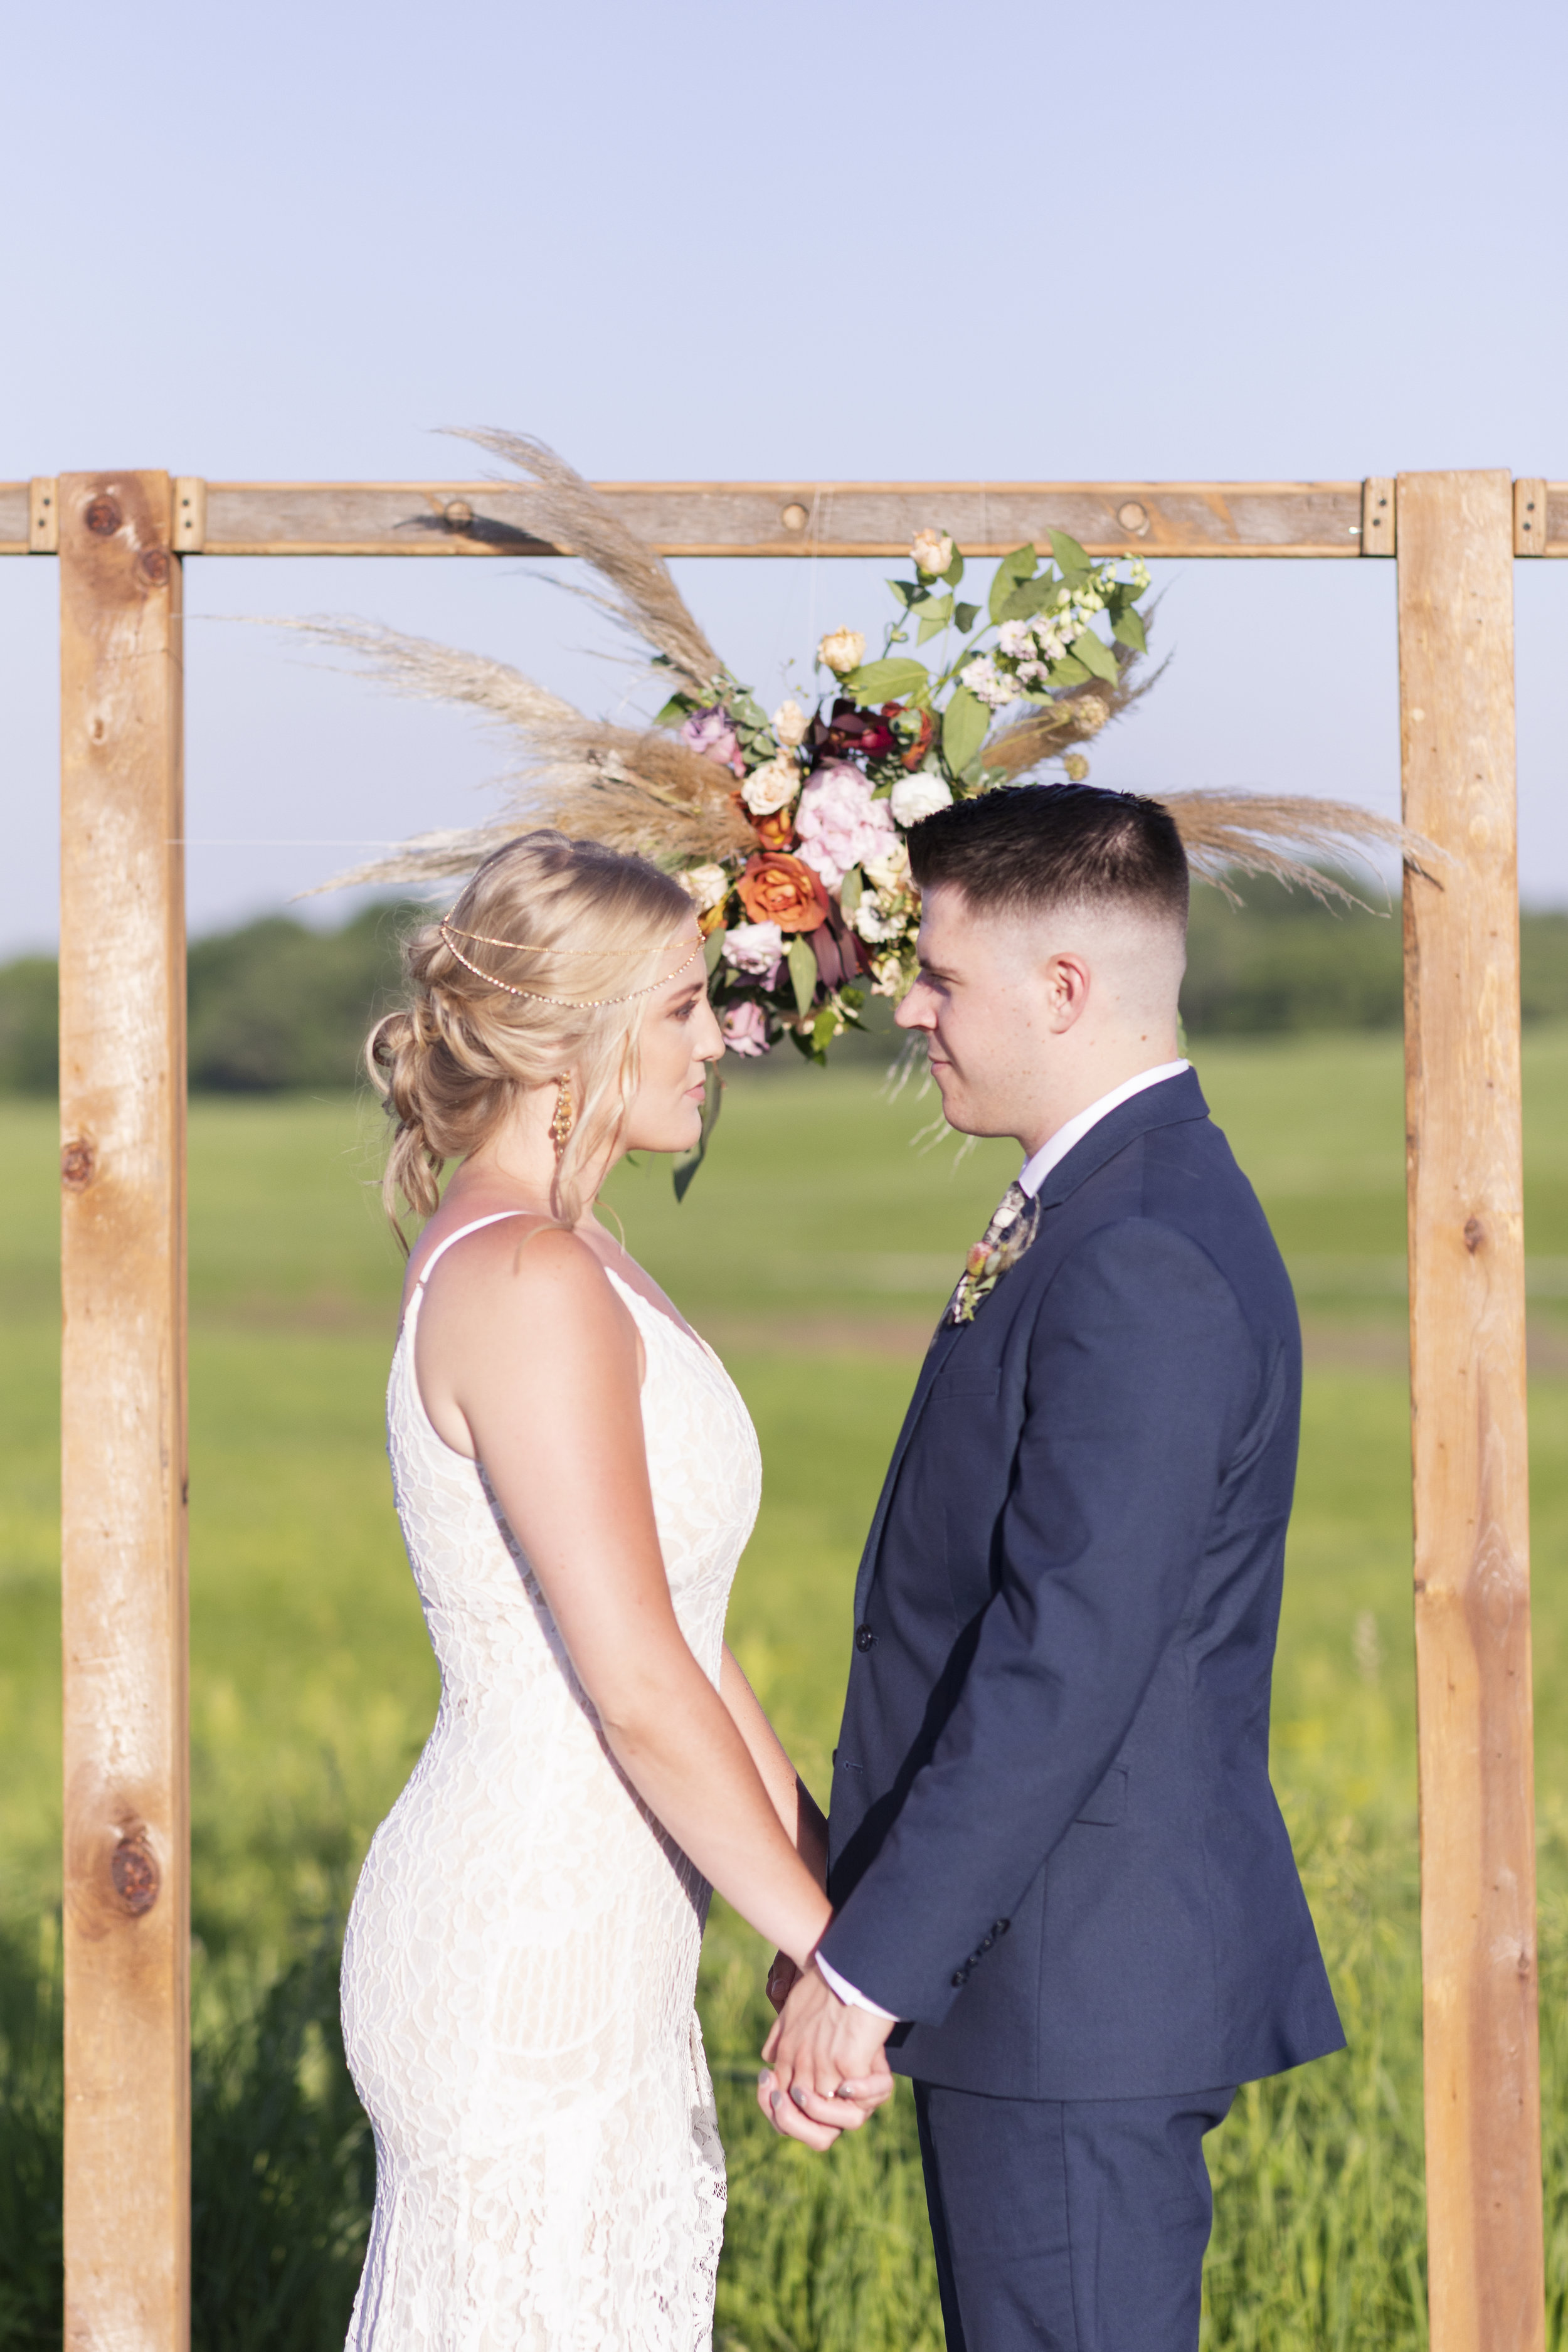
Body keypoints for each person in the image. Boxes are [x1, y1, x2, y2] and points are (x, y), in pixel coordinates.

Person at [761, 784, 1345, 2352]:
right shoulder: (1099, 1207)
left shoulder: (1139, 1248)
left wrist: (868, 1965)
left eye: (940, 976)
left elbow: (1061, 1660)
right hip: (1038, 1987)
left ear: (1063, 989)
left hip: (1076, 1995)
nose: (907, 1005)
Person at [338, 831, 834, 2351]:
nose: (716, 1041)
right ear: (573, 1038)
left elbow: (688, 1630)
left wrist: (814, 1890)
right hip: (525, 1940)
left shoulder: (577, 1251)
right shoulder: (528, 1280)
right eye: (682, 1008)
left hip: (605, 1919)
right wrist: (830, 1957)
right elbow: (628, 1676)